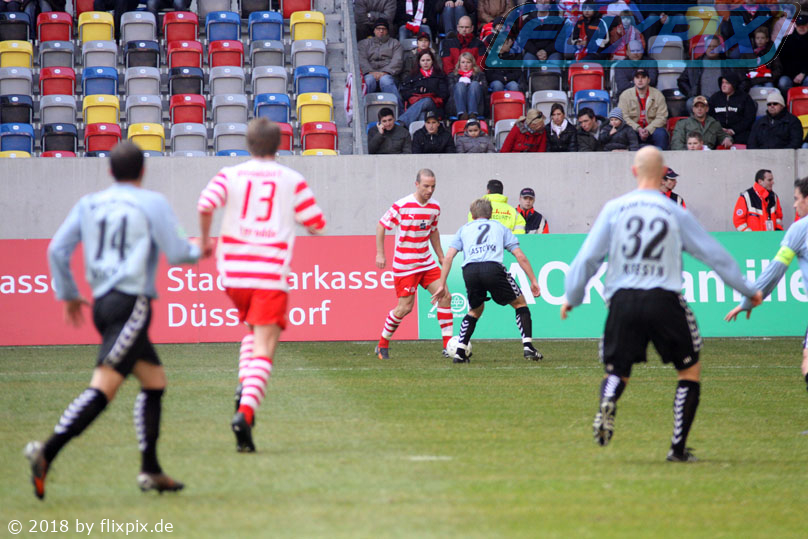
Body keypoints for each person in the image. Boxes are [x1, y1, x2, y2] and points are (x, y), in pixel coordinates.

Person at [561, 147, 762, 462]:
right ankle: (677, 448)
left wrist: (572, 296)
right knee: (688, 370)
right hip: (664, 299)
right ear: (663, 172)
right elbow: (714, 255)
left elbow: (588, 258)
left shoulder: (614, 208)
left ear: (634, 171)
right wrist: (748, 290)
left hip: (622, 300)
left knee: (617, 370)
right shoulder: (674, 211)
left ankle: (608, 399)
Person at [25, 142, 202, 500]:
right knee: (104, 387)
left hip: (103, 303)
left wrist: (69, 293)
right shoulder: (152, 202)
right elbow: (178, 252)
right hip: (131, 304)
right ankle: (48, 451)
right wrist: (199, 248)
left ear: (109, 171)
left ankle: (151, 469)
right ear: (143, 171)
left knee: (154, 381)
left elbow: (57, 249)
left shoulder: (89, 204)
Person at [197, 118, 326, 453]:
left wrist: (206, 240)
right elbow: (317, 224)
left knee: (254, 334)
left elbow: (205, 204)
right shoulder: (291, 179)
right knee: (266, 347)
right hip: (268, 272)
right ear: (279, 144)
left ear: (249, 144)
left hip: (232, 272)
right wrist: (293, 217)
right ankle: (245, 413)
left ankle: (245, 385)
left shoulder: (230, 174)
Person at [431, 198, 543, 363]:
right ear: (490, 214)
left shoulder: (464, 229)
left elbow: (448, 257)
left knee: (475, 310)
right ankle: (528, 347)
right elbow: (520, 256)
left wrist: (442, 284)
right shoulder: (500, 227)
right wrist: (533, 280)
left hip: (470, 271)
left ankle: (460, 352)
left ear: (472, 215)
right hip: (492, 268)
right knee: (520, 304)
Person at [725, 177, 808, 392]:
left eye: (797, 199)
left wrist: (750, 299)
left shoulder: (800, 228)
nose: (794, 205)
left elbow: (777, 268)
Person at [375, 169, 453, 359]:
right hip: (406, 265)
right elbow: (381, 225)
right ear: (416, 184)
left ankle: (448, 346)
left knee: (445, 296)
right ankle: (382, 344)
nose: (430, 190)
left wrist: (440, 256)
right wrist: (380, 253)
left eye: (433, 186)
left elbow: (433, 230)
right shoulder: (402, 205)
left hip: (426, 262)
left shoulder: (435, 207)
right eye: (426, 186)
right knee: (405, 308)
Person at [617, 68, 669, 150]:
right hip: (633, 129)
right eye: (637, 77)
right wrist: (638, 128)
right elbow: (623, 117)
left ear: (648, 80)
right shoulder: (625, 95)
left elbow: (662, 117)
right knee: (624, 133)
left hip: (652, 129)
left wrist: (648, 130)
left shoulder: (658, 95)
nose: (640, 80)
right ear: (633, 80)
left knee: (661, 133)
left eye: (643, 77)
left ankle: (660, 156)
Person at [358, 18, 404, 103]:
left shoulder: (395, 43)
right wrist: (370, 72)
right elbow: (361, 59)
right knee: (369, 80)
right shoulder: (364, 43)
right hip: (369, 73)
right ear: (374, 30)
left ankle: (398, 108)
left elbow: (397, 61)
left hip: (389, 75)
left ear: (387, 31)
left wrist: (384, 72)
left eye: (384, 29)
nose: (381, 31)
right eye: (378, 28)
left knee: (385, 80)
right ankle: (362, 108)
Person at [399, 49, 449, 126]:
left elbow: (444, 94)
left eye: (428, 60)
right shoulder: (412, 76)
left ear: (432, 61)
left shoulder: (440, 75)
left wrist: (429, 90)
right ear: (419, 62)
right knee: (422, 114)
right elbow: (404, 93)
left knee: (427, 100)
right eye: (423, 60)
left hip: (435, 106)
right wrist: (417, 90)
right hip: (416, 105)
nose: (425, 63)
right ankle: (420, 133)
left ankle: (402, 122)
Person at [708, 72, 756, 146]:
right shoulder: (715, 97)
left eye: (727, 83)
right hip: (718, 132)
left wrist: (733, 130)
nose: (723, 85)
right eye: (722, 82)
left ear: (734, 84)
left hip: (739, 132)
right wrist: (719, 128)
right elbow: (709, 116)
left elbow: (749, 118)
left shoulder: (745, 98)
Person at [448, 51, 487, 120]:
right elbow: (451, 91)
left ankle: (472, 114)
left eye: (468, 62)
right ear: (459, 64)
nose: (465, 65)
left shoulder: (479, 75)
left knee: (474, 84)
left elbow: (485, 91)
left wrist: (475, 86)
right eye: (463, 62)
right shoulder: (453, 76)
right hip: (456, 107)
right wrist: (462, 85)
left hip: (477, 107)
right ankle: (462, 114)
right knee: (460, 85)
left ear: (472, 63)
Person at [776, 13, 808, 95]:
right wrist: (793, 75)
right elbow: (781, 60)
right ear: (795, 25)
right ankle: (787, 102)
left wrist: (803, 73)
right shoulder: (786, 40)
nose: (801, 28)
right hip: (788, 74)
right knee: (783, 83)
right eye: (799, 25)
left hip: (805, 74)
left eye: (804, 25)